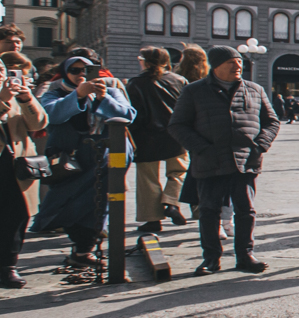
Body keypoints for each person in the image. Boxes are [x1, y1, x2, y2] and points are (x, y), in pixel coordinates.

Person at [167, 45, 277, 275]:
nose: (238, 66)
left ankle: (245, 256)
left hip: (245, 160)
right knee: (209, 211)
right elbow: (177, 125)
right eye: (231, 63)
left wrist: (260, 146)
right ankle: (211, 259)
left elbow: (272, 122)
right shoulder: (194, 91)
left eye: (240, 62)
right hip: (210, 160)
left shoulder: (254, 89)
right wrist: (201, 148)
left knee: (246, 210)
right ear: (216, 66)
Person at [34, 54, 135, 272]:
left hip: (104, 155)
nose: (81, 74)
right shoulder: (54, 90)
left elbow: (128, 114)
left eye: (85, 70)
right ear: (65, 72)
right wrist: (78, 95)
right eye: (75, 70)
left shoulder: (111, 88)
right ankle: (80, 247)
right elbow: (51, 114)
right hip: (71, 160)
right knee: (69, 201)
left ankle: (84, 250)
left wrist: (102, 98)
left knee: (99, 203)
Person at [125, 46, 189, 233]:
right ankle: (171, 202)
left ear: (144, 62)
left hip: (145, 137)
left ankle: (152, 219)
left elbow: (133, 113)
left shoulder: (135, 83)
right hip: (175, 135)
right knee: (179, 171)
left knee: (147, 178)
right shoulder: (179, 80)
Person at [2, 54, 48, 287]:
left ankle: (8, 265)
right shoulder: (4, 96)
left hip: (16, 162)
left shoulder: (16, 95)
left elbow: (39, 123)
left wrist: (25, 98)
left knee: (18, 213)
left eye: (2, 71)